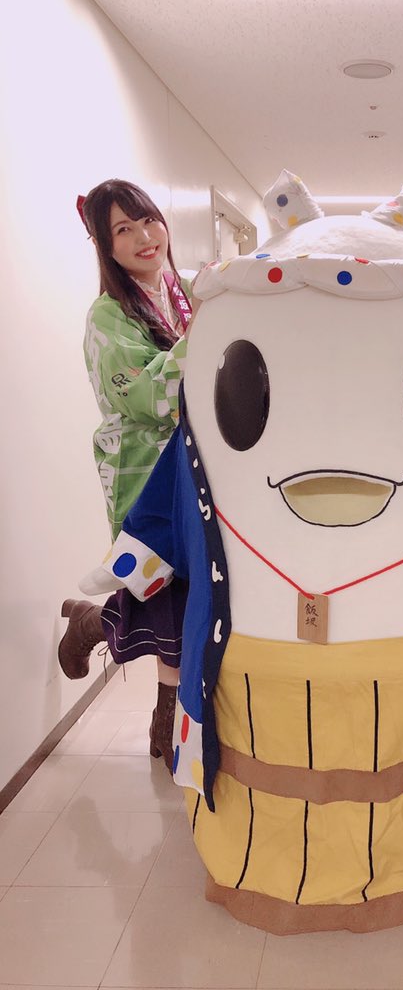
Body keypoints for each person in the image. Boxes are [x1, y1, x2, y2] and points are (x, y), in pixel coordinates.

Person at [58, 179, 193, 771]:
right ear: (105, 245)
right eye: (123, 229)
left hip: (197, 472)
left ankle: (89, 623)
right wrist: (205, 336)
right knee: (165, 597)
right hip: (147, 476)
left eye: (148, 221)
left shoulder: (184, 293)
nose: (143, 237)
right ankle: (167, 725)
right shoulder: (107, 316)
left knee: (181, 595)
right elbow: (145, 396)